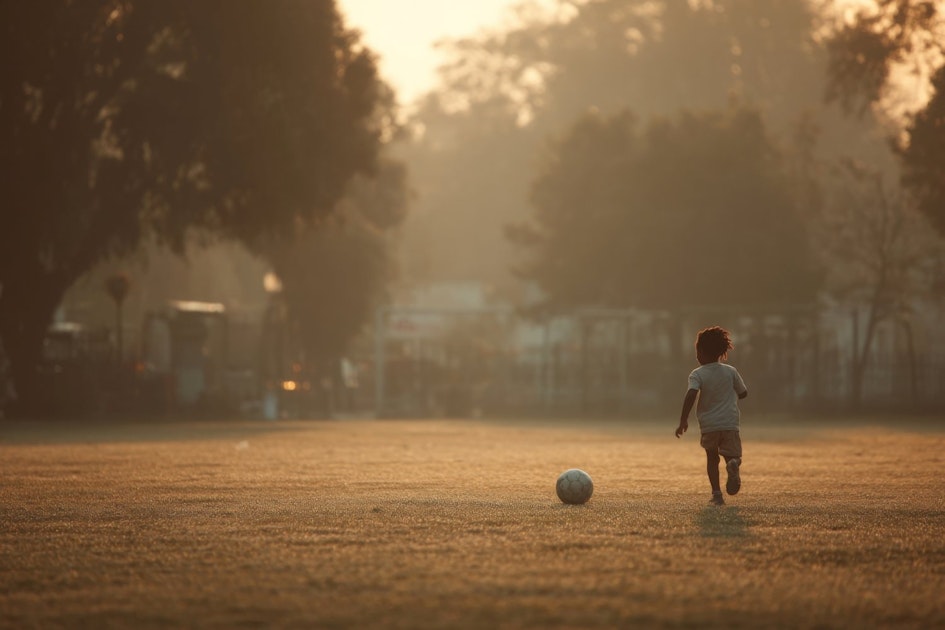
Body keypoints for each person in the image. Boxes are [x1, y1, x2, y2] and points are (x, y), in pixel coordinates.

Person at [675, 326, 748, 506]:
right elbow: (743, 393)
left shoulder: (697, 374)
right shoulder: (730, 371)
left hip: (709, 425)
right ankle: (734, 464)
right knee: (732, 455)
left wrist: (683, 420)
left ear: (700, 352)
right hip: (730, 422)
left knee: (712, 458)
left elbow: (691, 394)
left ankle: (717, 494)